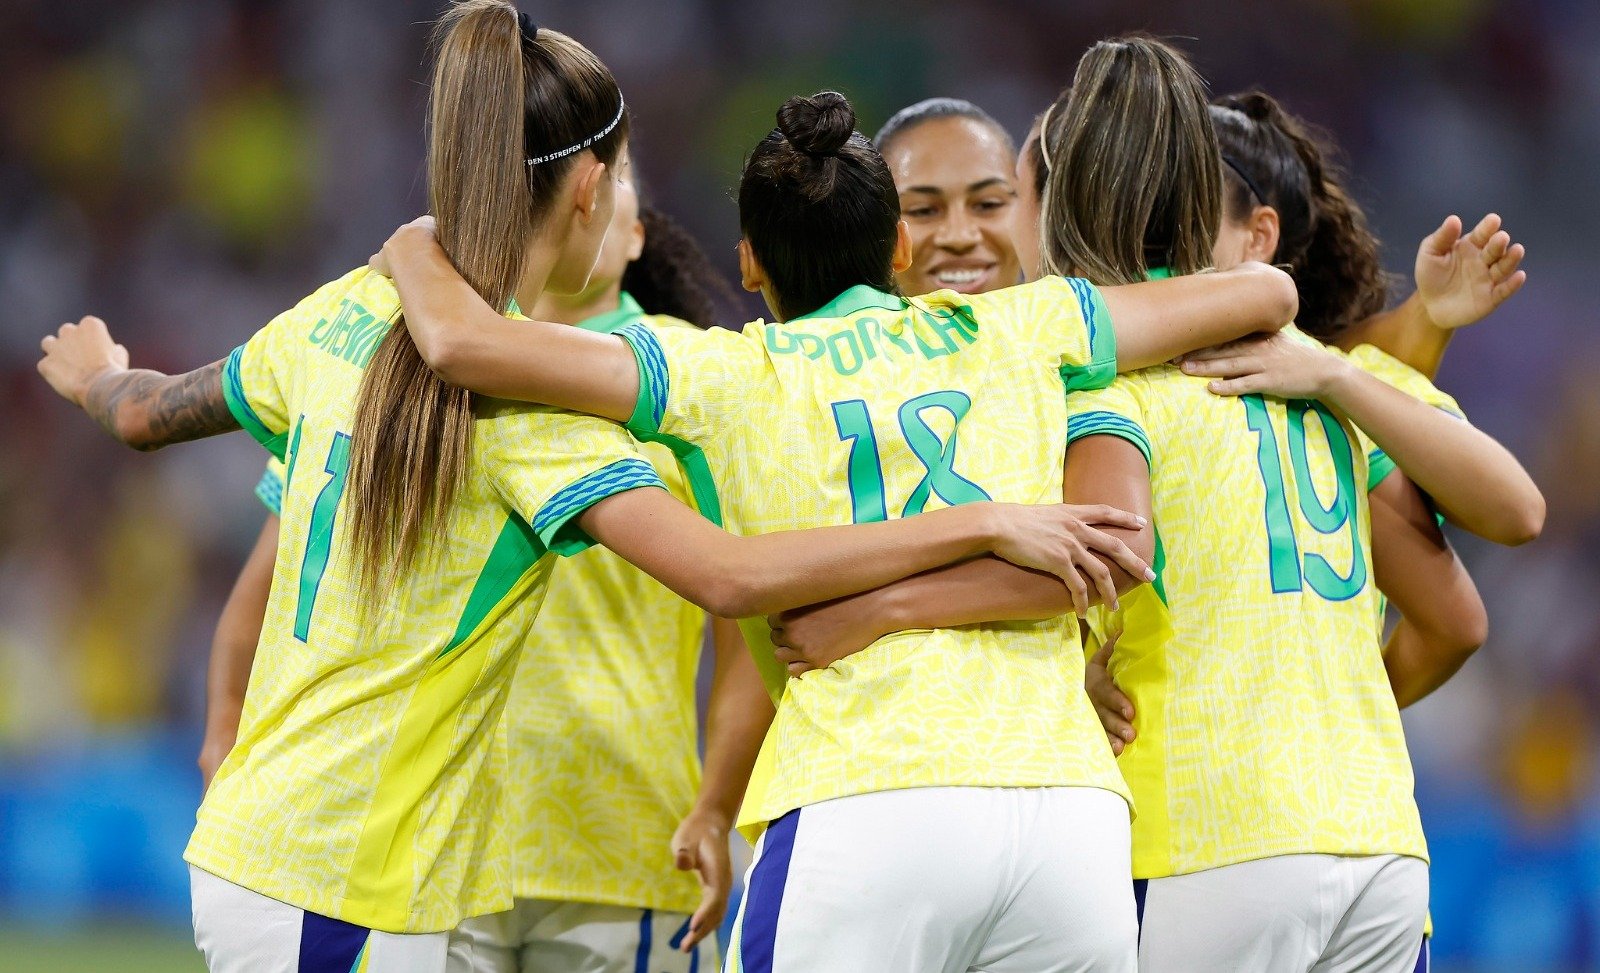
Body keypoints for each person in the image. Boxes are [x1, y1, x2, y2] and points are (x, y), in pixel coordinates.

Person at [34, 7, 1136, 970]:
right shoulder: (532, 417)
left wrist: (92, 378)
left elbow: (146, 412)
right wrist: (987, 520)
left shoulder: (332, 316)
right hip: (349, 866)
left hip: (291, 841)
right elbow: (728, 576)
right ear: (593, 190)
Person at [372, 77, 1299, 967]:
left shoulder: (720, 373)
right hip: (1067, 819)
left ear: (748, 258)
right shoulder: (1026, 327)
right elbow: (1267, 295)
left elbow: (463, 344)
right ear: (898, 245)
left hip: (864, 795)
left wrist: (413, 246)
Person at [762, 38, 1542, 973]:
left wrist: (891, 611)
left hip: (1192, 833)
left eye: (1009, 200)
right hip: (1374, 836)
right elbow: (1459, 608)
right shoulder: (1308, 374)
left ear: (1061, 210)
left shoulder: (1096, 380)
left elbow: (1098, 550)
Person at [195, 146, 768, 971]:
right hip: (443, 848)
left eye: (620, 176)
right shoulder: (407, 370)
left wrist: (716, 805)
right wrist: (224, 733)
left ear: (635, 232)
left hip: (621, 832)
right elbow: (269, 582)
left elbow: (739, 612)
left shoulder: (692, 379)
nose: (594, 192)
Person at [874, 98, 1023, 297]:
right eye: (923, 210)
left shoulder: (1076, 324)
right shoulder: (824, 327)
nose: (959, 238)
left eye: (988, 205)